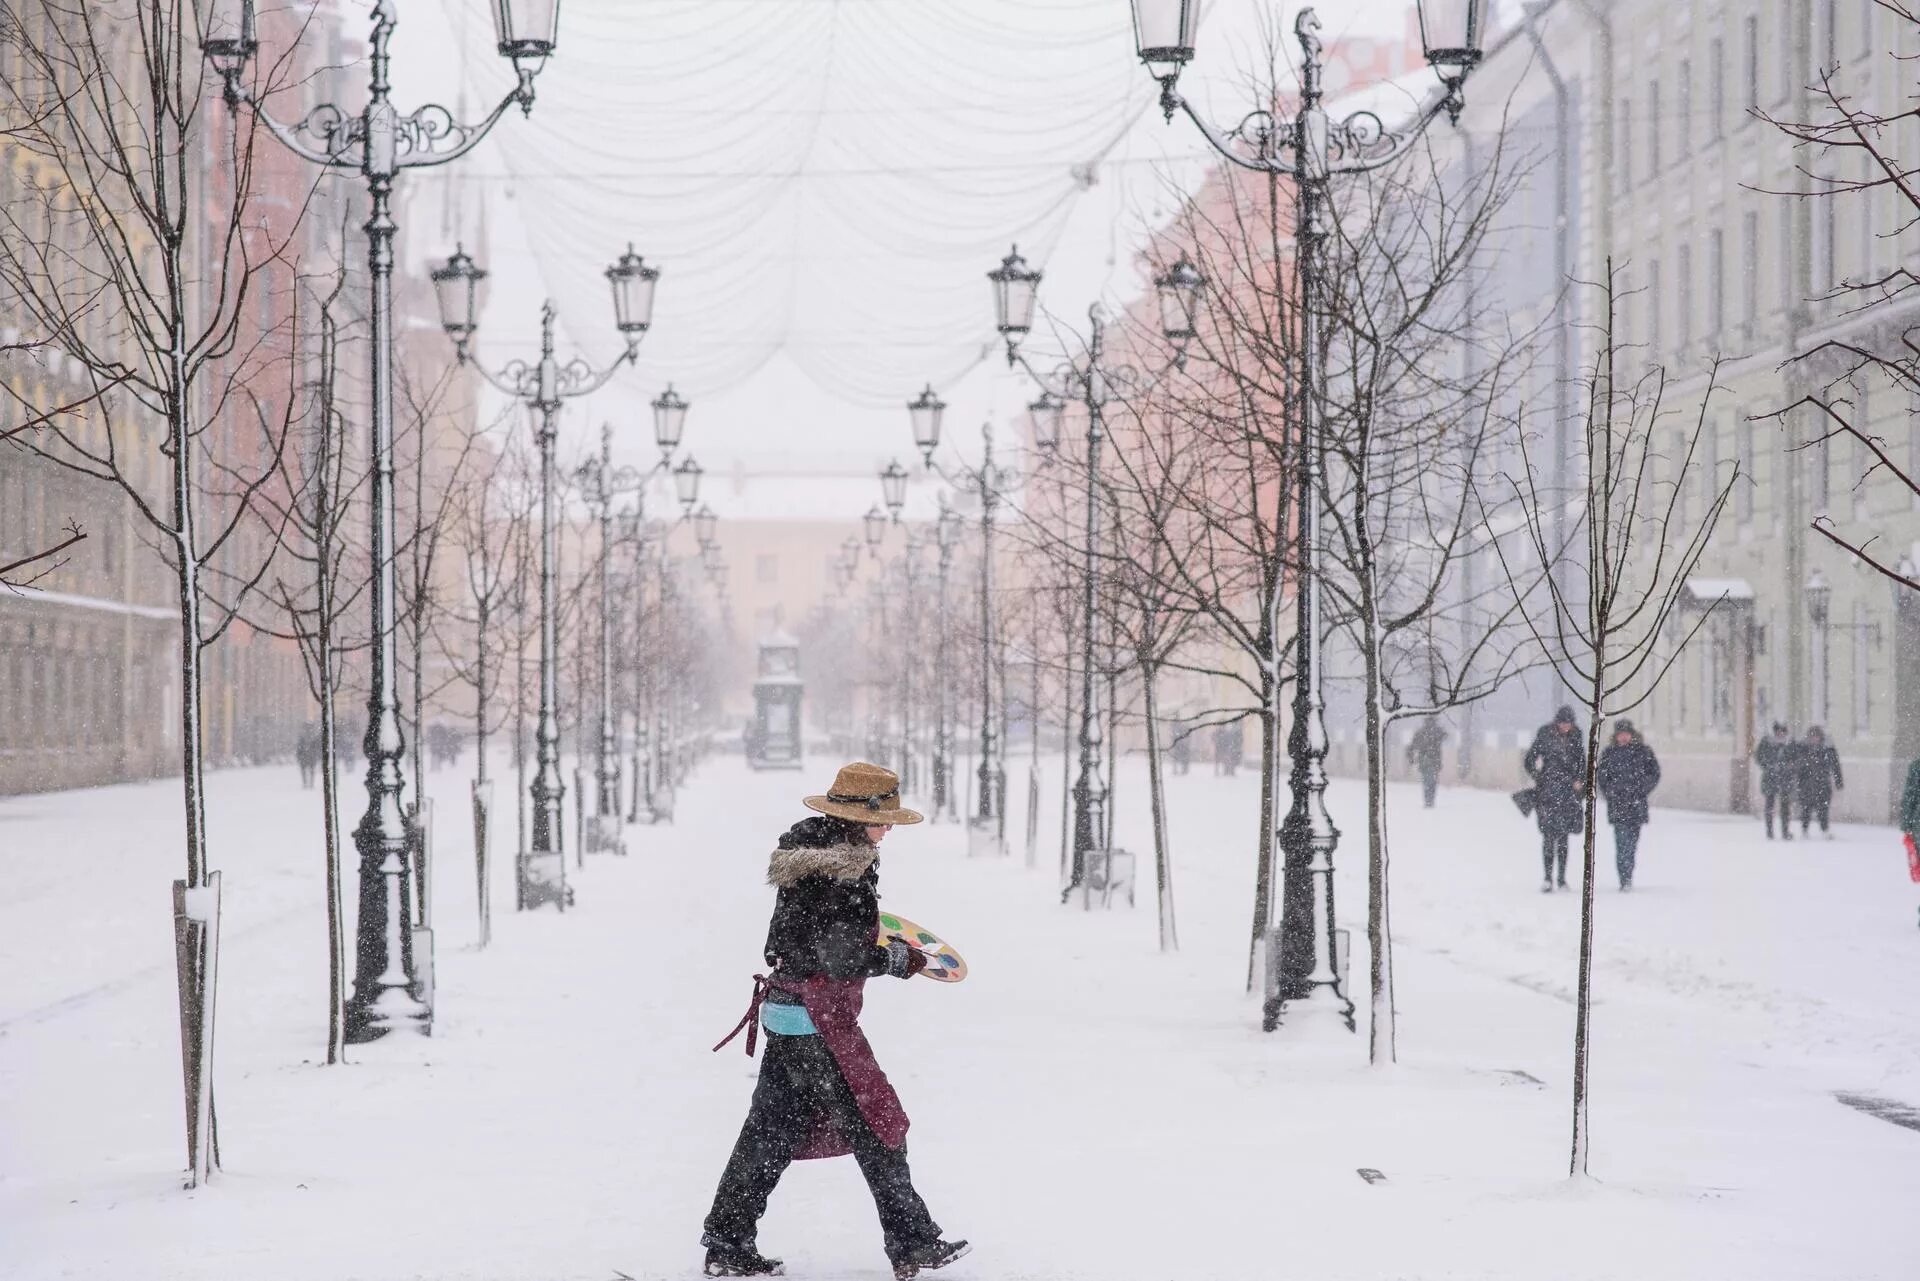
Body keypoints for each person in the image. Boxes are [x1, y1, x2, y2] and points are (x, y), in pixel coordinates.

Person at [703, 762, 968, 1281]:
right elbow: (842, 956)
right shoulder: (843, 871)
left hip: (787, 1010)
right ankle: (914, 1243)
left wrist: (874, 944)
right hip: (820, 1023)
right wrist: (898, 959)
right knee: (879, 1124)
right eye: (884, 819)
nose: (889, 828)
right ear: (855, 817)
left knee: (768, 1134)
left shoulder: (806, 855)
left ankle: (727, 1243)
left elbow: (789, 943)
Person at [1522, 706, 1586, 892]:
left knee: (1564, 837)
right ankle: (1548, 877)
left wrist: (1579, 780)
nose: (1566, 727)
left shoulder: (1576, 736)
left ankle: (1562, 878)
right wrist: (1539, 776)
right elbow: (1529, 759)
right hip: (1548, 793)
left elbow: (1582, 762)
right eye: (1563, 723)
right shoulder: (1545, 735)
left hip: (1567, 793)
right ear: (1557, 723)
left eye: (1569, 724)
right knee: (1549, 836)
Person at [1595, 719, 1661, 890]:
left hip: (1636, 805)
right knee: (1621, 842)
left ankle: (1628, 873)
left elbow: (1654, 773)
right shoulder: (1609, 754)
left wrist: (1642, 789)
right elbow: (1601, 776)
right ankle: (1624, 878)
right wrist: (1610, 792)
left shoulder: (1643, 752)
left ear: (1631, 735)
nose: (1623, 737)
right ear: (1616, 736)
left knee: (1632, 843)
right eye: (1620, 735)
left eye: (1626, 734)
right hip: (1617, 805)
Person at [1795, 726, 1844, 839]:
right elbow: (1798, 766)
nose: (1815, 739)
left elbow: (1835, 766)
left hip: (1823, 784)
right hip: (1806, 785)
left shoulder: (1827, 749)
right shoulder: (1803, 748)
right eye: (1812, 736)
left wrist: (1838, 781)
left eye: (1817, 736)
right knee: (1806, 809)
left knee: (1823, 809)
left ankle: (1824, 829)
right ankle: (1804, 829)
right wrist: (1798, 781)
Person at [1754, 722, 1796, 840]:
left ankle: (1785, 831)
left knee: (1785, 807)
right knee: (1769, 805)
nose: (1780, 734)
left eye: (1783, 731)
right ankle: (1770, 831)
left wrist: (1790, 767)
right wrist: (1769, 766)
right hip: (1770, 778)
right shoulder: (1766, 742)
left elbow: (1796, 758)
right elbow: (1758, 757)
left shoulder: (1790, 743)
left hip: (1785, 779)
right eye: (1778, 731)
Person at [1406, 720, 1446, 808]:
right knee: (1432, 782)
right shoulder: (1436, 732)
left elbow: (1412, 746)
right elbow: (1445, 736)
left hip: (1424, 761)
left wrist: (1411, 758)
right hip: (1433, 761)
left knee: (1427, 781)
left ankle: (1428, 800)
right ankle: (1430, 800)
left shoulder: (1421, 732)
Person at [295, 723, 320, 790]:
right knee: (310, 771)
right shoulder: (313, 736)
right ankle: (309, 783)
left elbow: (299, 748)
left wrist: (298, 756)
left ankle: (307, 783)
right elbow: (317, 748)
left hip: (306, 757)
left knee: (306, 771)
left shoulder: (303, 737)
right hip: (309, 757)